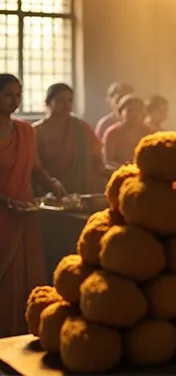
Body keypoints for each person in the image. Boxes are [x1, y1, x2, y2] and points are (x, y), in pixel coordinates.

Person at [0, 74, 66, 338]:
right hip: (3, 215)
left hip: (24, 215)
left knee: (26, 274)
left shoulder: (26, 131)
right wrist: (6, 201)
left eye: (18, 95)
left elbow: (36, 168)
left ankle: (22, 331)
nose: (15, 101)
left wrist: (52, 182)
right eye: (8, 94)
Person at [33, 83, 106, 194]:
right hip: (47, 191)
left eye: (69, 101)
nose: (66, 105)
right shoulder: (35, 131)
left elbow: (96, 157)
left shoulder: (81, 127)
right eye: (60, 101)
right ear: (48, 102)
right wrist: (50, 183)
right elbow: (34, 165)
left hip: (81, 191)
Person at [102, 95, 154, 170]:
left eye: (138, 111)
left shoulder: (149, 132)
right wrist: (127, 169)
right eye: (130, 111)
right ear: (120, 112)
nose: (135, 115)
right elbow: (108, 161)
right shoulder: (112, 133)